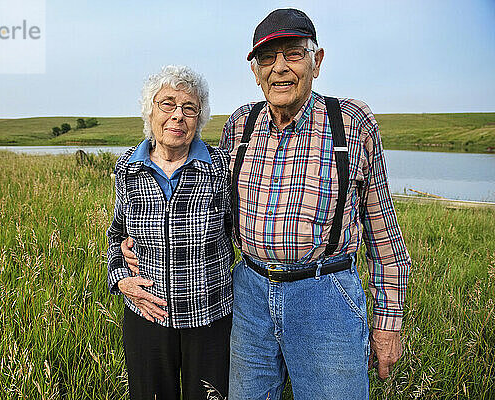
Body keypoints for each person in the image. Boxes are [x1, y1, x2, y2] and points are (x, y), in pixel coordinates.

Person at [123, 9, 411, 400]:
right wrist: (133, 247)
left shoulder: (352, 122)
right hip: (249, 294)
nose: (279, 69)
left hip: (324, 295)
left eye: (293, 54)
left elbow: (383, 232)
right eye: (266, 59)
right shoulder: (241, 124)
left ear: (317, 61)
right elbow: (208, 210)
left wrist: (388, 323)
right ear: (255, 72)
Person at [107, 65, 234, 400]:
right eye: (168, 104)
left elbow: (238, 233)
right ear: (151, 111)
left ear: (199, 119)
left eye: (189, 108)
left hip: (209, 316)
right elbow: (116, 235)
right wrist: (121, 278)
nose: (178, 116)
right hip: (147, 315)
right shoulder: (128, 169)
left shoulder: (219, 167)